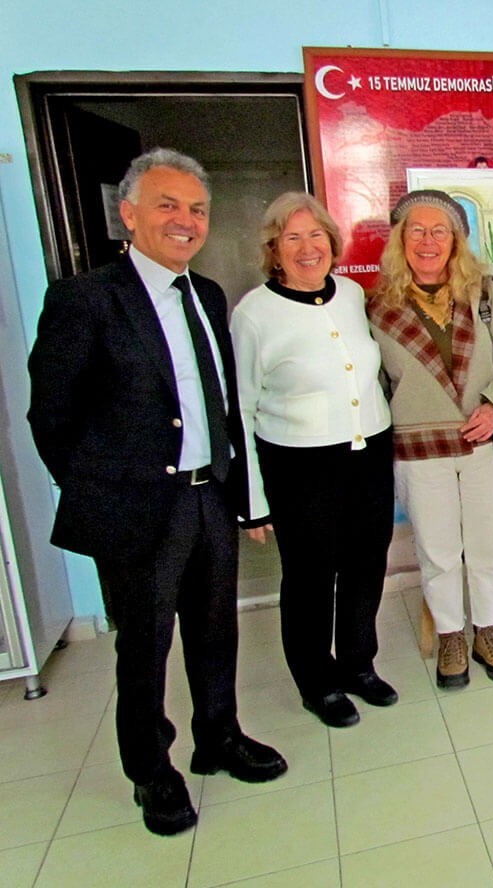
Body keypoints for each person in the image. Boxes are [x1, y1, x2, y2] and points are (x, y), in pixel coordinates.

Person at [27, 148, 287, 836]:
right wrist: (101, 491)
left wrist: (238, 487)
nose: (185, 221)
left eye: (197, 209)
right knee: (143, 647)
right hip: (138, 507)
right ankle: (151, 771)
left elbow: (221, 402)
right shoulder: (86, 300)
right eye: (168, 205)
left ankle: (218, 737)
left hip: (209, 496)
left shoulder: (205, 294)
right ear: (130, 213)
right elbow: (50, 417)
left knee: (215, 631)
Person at [231, 192, 397, 729]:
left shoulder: (351, 294)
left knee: (367, 564)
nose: (308, 248)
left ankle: (357, 664)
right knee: (309, 577)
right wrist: (252, 502)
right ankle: (316, 681)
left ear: (332, 242)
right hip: (299, 464)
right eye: (292, 238)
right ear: (274, 251)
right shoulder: (253, 314)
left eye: (317, 236)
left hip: (368, 451)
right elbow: (242, 407)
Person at [367, 189, 493, 689]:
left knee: (486, 545)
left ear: (456, 240)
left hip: (482, 442)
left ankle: (488, 629)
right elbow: (372, 385)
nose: (428, 240)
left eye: (439, 230)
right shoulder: (378, 309)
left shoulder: (484, 293)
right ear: (400, 240)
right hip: (419, 452)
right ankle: (450, 636)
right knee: (438, 551)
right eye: (416, 230)